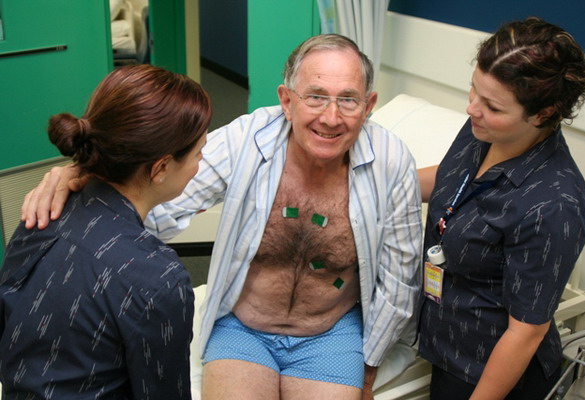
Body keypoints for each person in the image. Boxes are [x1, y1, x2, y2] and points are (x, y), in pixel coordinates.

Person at [19, 34, 423, 399]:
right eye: (315, 96)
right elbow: (157, 188)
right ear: (286, 100)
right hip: (243, 328)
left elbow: (399, 279)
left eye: (348, 99)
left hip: (331, 332)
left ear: (368, 105)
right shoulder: (247, 138)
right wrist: (89, 172)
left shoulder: (392, 163)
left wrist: (367, 371)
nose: (331, 117)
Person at [1, 64, 212, 399]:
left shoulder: (41, 214)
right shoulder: (157, 276)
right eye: (200, 153)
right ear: (160, 168)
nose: (202, 163)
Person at [418, 17, 585, 400]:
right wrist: (378, 182)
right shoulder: (485, 128)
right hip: (443, 335)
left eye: (492, 106)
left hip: (485, 369)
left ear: (542, 114)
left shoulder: (553, 204)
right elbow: (452, 179)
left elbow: (526, 331)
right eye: (473, 92)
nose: (471, 109)